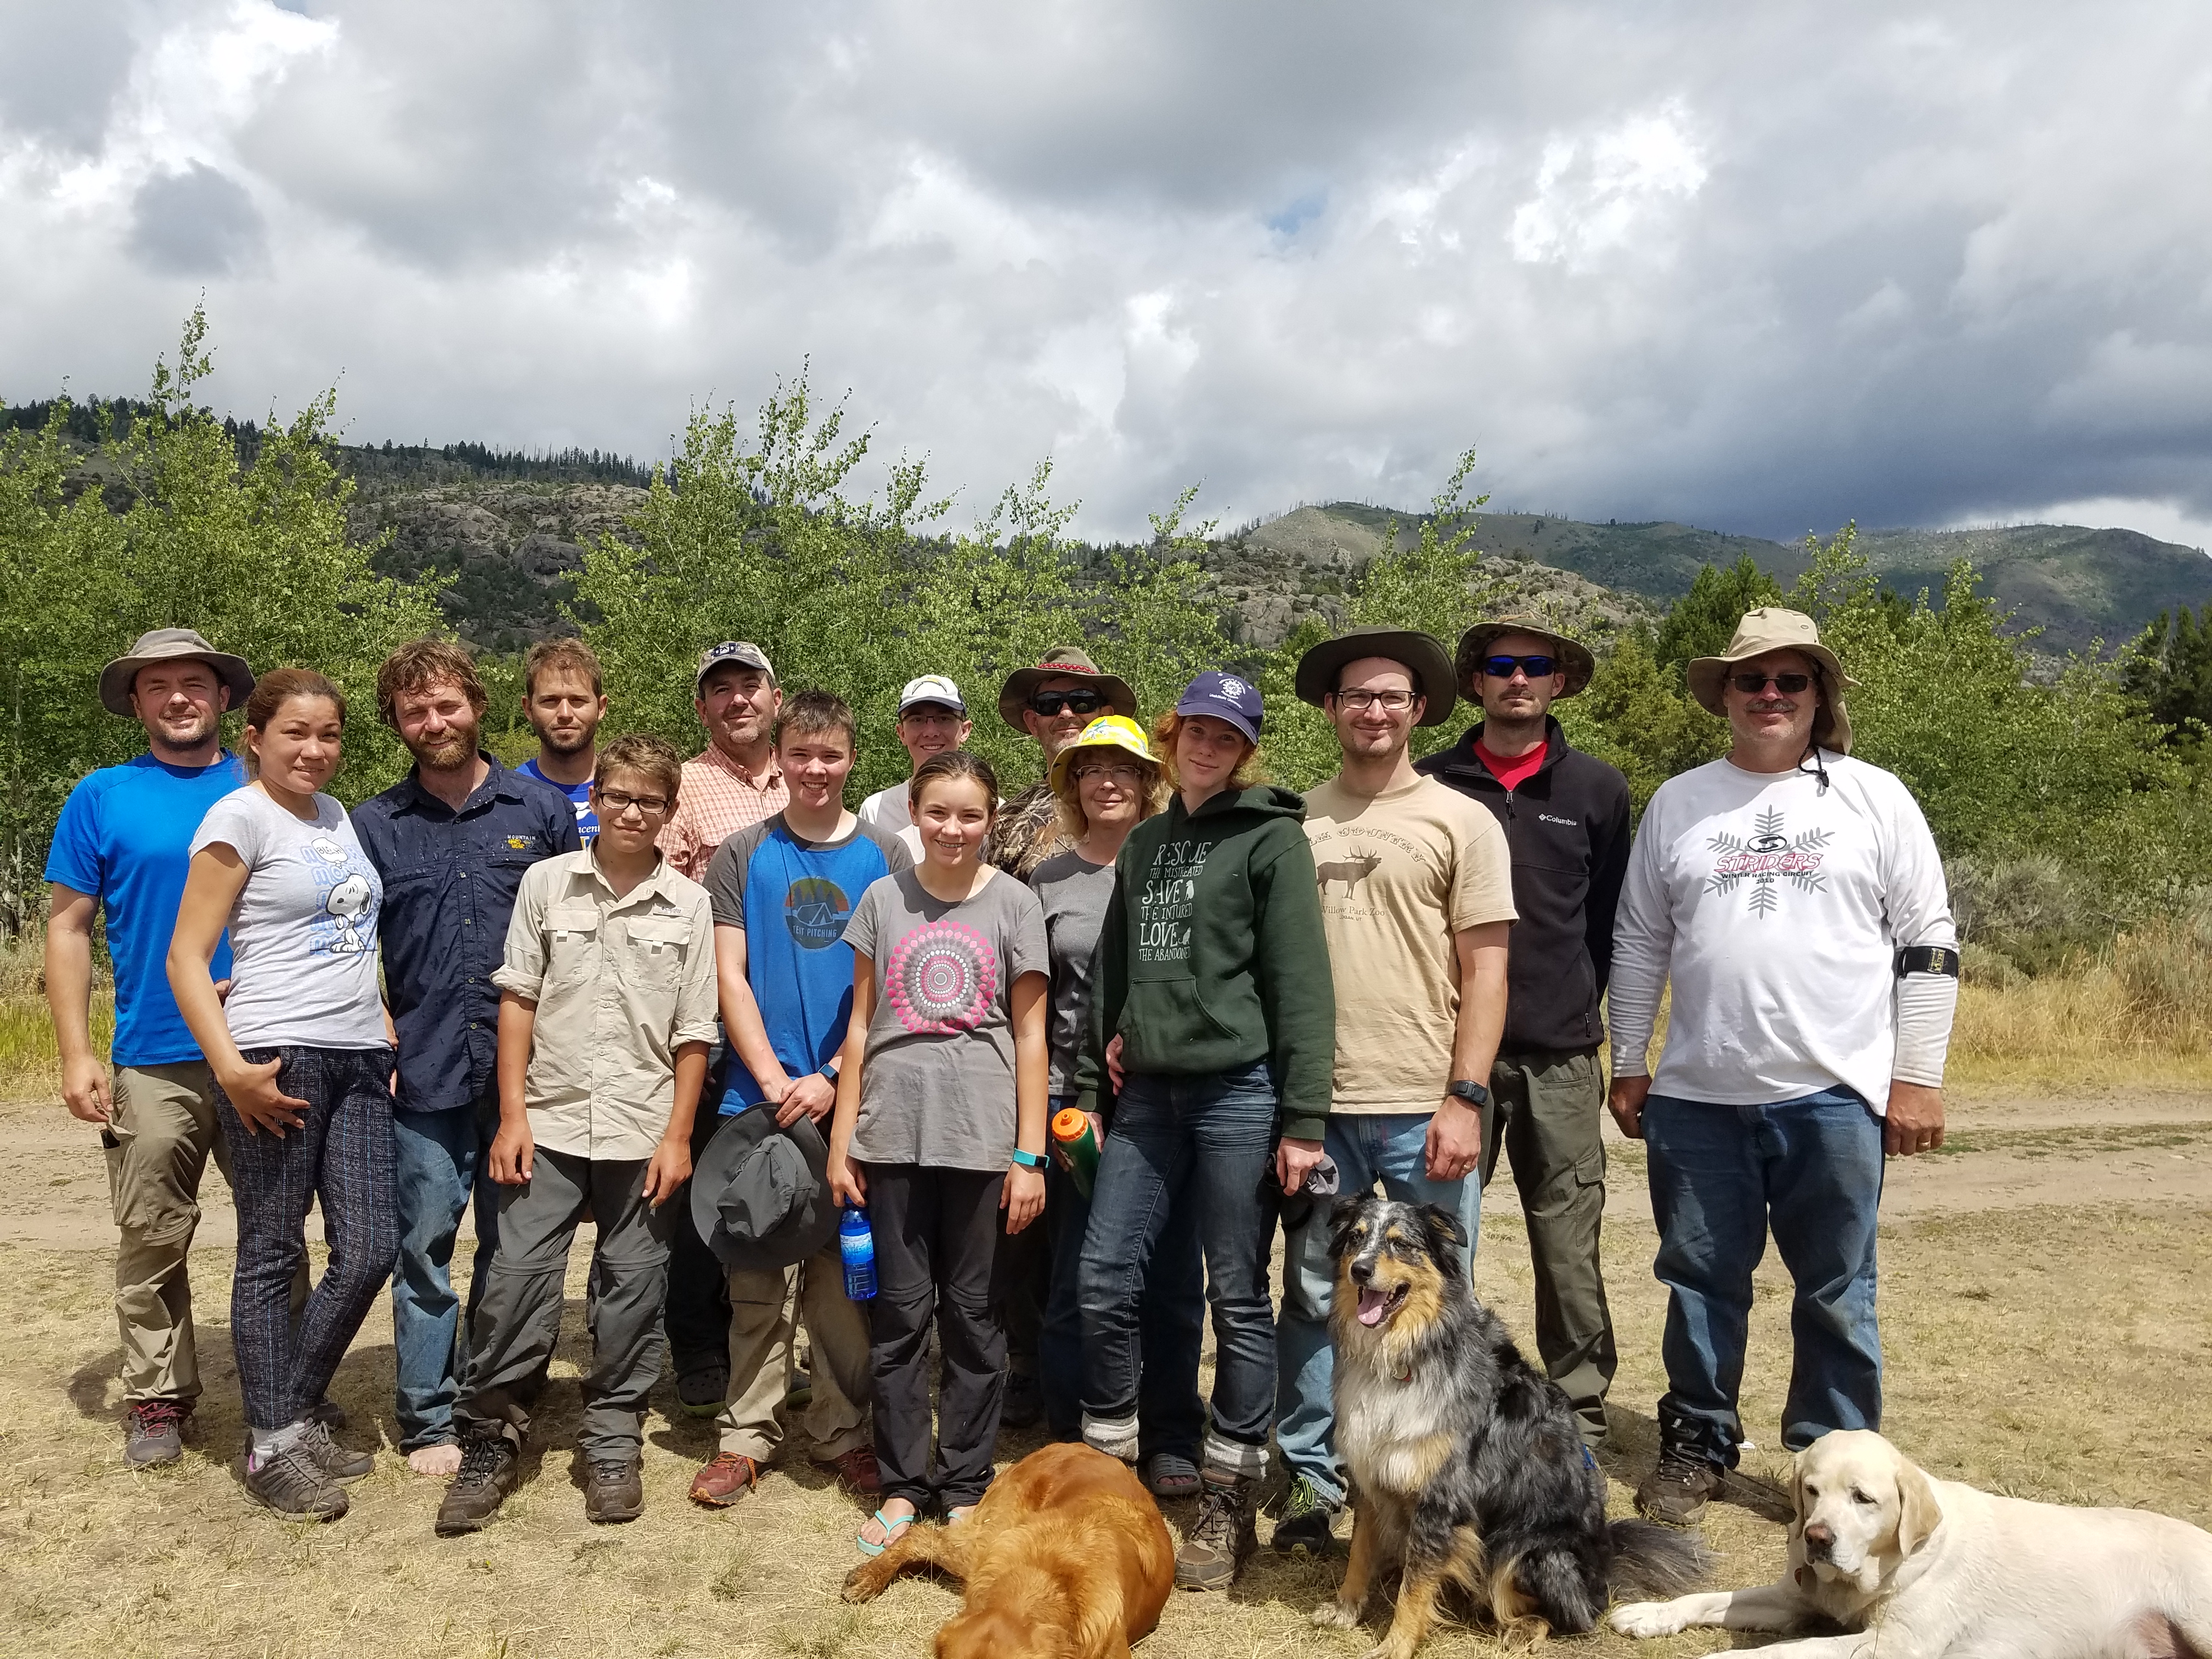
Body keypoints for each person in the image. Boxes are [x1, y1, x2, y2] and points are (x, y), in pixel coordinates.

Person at [1607, 607, 1959, 1524]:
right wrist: (1628, 1056)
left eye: (1789, 680)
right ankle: (1697, 1440)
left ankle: (1833, 1459)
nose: (1769, 694)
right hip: (1695, 1093)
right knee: (1696, 1282)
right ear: (1722, 692)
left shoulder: (1872, 796)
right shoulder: (1680, 801)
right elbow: (1640, 939)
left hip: (1834, 1092)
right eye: (1750, 679)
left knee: (1837, 1288)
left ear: (1817, 694)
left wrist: (1915, 1075)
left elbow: (1927, 942)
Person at [1075, 670, 1333, 1592]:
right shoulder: (1144, 840)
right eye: (1196, 730)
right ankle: (1108, 1466)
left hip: (1238, 1094)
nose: (1207, 747)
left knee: (1236, 1292)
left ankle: (1226, 1490)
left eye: (1228, 737)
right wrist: (1090, 1083)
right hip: (1145, 1096)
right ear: (1172, 732)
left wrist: (1302, 1119)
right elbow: (1113, 972)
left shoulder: (1272, 838)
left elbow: (1301, 984)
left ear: (1243, 749)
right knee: (1104, 1278)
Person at [433, 734, 718, 1534]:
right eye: (619, 796)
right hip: (549, 1120)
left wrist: (678, 1138)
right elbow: (516, 999)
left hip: (644, 1127)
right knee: (516, 1281)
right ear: (597, 799)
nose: (633, 812)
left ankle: (612, 1435)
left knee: (634, 1288)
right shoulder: (546, 884)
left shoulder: (690, 906)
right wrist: (512, 1114)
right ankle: (491, 1435)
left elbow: (696, 1033)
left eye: (650, 801)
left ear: (669, 811)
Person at [1272, 628, 1516, 1556]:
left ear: (1418, 710)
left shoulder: (1462, 820)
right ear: (1330, 710)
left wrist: (1465, 1093)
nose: (1372, 710)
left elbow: (1486, 968)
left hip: (1425, 1102)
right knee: (1311, 1289)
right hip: (1319, 1104)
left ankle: (1427, 1464)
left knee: (1433, 1293)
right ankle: (1312, 1465)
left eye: (1390, 696)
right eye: (1355, 696)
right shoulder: (1293, 819)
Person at [167, 668, 396, 1521]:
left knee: (372, 1245)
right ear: (255, 738)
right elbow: (188, 957)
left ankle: (287, 1414)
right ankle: (272, 1444)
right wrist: (229, 1068)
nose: (314, 749)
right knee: (270, 1248)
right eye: (295, 732)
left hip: (360, 1056)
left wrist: (378, 1015)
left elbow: (347, 935)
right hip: (275, 1053)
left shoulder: (335, 818)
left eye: (328, 734)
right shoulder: (238, 817)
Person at [44, 628, 273, 1469]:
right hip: (153, 1053)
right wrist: (78, 1053)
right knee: (151, 1234)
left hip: (266, 1049)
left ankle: (282, 1390)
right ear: (136, 704)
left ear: (223, 699)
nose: (178, 697)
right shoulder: (101, 796)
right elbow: (68, 928)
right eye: (158, 686)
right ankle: (157, 1396)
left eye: (195, 683)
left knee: (275, 1231)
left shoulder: (271, 785)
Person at [351, 638, 580, 1475]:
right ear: (398, 724)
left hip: (528, 1070)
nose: (434, 721)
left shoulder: (538, 812)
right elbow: (348, 941)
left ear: (478, 707)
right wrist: (375, 1016)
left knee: (514, 1246)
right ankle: (429, 1418)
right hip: (425, 1067)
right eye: (416, 710)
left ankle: (500, 1394)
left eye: (448, 704)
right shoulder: (373, 825)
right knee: (425, 1245)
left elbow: (572, 938)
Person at [826, 750, 1051, 1555]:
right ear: (913, 814)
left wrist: (1030, 1156)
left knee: (976, 1322)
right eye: (938, 812)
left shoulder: (1017, 906)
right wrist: (842, 1139)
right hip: (890, 1139)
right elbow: (859, 1025)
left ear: (991, 821)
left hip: (983, 1145)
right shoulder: (883, 900)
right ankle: (901, 1485)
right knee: (898, 1319)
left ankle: (963, 1484)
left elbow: (1031, 1035)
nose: (953, 829)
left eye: (970, 815)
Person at [689, 691, 909, 1511]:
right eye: (802, 756)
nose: (816, 771)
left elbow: (890, 984)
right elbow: (729, 974)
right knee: (753, 1275)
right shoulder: (742, 855)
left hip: (849, 1102)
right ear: (778, 758)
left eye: (832, 756)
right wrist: (777, 1078)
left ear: (853, 760)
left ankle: (843, 1431)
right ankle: (745, 1436)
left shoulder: (886, 856)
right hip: (755, 1103)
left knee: (844, 1287)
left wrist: (828, 1079)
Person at [1415, 616, 1632, 1448]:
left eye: (1534, 666)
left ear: (1559, 683)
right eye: (1499, 666)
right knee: (1435, 1238)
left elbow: (1610, 926)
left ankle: (1576, 1406)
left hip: (1560, 1056)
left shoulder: (1598, 792)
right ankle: (1440, 1391)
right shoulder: (1432, 784)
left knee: (1568, 1241)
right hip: (1450, 1058)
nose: (1517, 679)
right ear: (1474, 683)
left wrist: (1586, 1016)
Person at [1026, 715, 1206, 1498]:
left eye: (1124, 770)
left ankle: (1171, 1432)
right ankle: (1074, 1432)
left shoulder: (1182, 864)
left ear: (1148, 782)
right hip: (1074, 1101)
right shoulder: (1047, 881)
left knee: (1168, 1274)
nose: (1108, 781)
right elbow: (1031, 1004)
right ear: (1072, 787)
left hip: (1167, 1096)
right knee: (1073, 1275)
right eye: (1091, 770)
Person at [984, 645, 1136, 1426]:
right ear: (1032, 722)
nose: (1067, 717)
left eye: (1083, 703)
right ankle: (1029, 1366)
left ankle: (1118, 1387)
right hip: (1042, 1070)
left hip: (1137, 1082)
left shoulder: (1161, 835)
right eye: (1052, 706)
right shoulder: (1003, 820)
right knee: (1030, 1237)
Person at [658, 639, 791, 1417]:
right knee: (706, 1193)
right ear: (704, 708)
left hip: (793, 1022)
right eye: (722, 691)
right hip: (709, 1020)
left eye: (751, 686)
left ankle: (771, 1350)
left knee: (778, 1189)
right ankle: (700, 1347)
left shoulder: (804, 777)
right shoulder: (685, 787)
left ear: (775, 700)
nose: (738, 700)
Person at [856, 674, 970, 861]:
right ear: (901, 733)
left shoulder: (992, 809)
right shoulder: (876, 810)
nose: (931, 732)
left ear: (965, 731)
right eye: (917, 720)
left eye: (944, 719)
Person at [515, 636, 609, 842]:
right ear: (528, 708)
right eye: (550, 701)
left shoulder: (630, 794)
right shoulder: (509, 798)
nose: (565, 713)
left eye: (577, 701)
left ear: (601, 708)